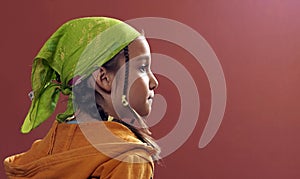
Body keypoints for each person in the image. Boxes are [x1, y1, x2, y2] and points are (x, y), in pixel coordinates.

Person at [4, 17, 160, 178]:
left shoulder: (38, 155)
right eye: (142, 68)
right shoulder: (128, 158)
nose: (154, 82)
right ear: (104, 78)